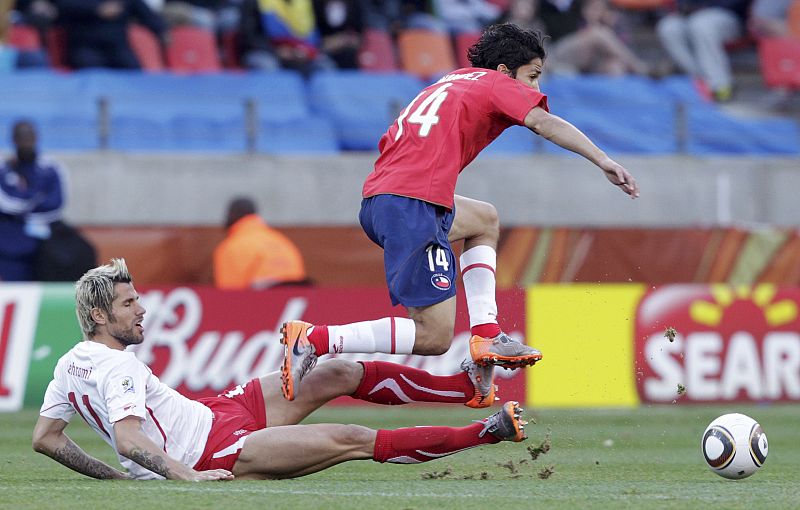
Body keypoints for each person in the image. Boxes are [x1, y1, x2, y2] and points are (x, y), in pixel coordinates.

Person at [278, 22, 639, 401]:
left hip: (385, 200)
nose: (535, 90)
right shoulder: (495, 83)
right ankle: (314, 339)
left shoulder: (449, 82)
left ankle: (486, 335)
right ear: (504, 71)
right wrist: (602, 160)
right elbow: (544, 123)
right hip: (412, 204)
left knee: (484, 219)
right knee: (433, 337)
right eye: (532, 77)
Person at [32, 258, 527, 480]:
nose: (142, 309)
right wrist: (188, 479)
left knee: (335, 372)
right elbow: (129, 440)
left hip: (214, 412)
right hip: (213, 453)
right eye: (128, 302)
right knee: (351, 438)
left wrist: (114, 481)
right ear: (99, 316)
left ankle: (464, 389)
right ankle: (485, 432)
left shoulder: (68, 366)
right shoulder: (114, 365)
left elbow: (46, 438)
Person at [0, 120, 67, 281]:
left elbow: (56, 204)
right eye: (21, 137)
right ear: (13, 140)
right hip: (11, 241)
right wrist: (38, 196)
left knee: (76, 252)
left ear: (36, 137)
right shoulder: (4, 169)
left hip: (46, 239)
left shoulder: (51, 168)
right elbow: (7, 204)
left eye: (28, 137)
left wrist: (26, 201)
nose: (25, 142)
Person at [655, 0, 751, 102]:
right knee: (669, 27)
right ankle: (699, 81)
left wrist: (706, 6)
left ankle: (720, 86)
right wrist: (685, 6)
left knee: (701, 24)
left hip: (729, 16)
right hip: (693, 16)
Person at [213, 196, 308, 289]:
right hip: (296, 301)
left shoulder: (231, 247)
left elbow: (229, 294)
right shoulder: (281, 240)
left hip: (259, 301)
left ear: (231, 215)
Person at [55, 0, 167, 69]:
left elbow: (147, 15)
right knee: (91, 68)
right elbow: (63, 5)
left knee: (132, 69)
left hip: (118, 46)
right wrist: (96, 9)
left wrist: (162, 31)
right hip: (86, 46)